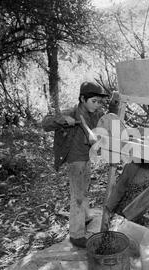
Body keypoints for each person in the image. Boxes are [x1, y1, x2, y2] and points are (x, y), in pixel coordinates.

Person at [41, 81, 109, 248]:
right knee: (77, 196)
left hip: (86, 157)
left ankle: (84, 217)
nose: (97, 105)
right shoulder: (72, 112)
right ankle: (76, 235)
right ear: (82, 99)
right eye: (94, 101)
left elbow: (104, 126)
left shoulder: (94, 114)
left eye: (99, 102)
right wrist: (62, 120)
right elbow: (45, 123)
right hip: (75, 159)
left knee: (84, 189)